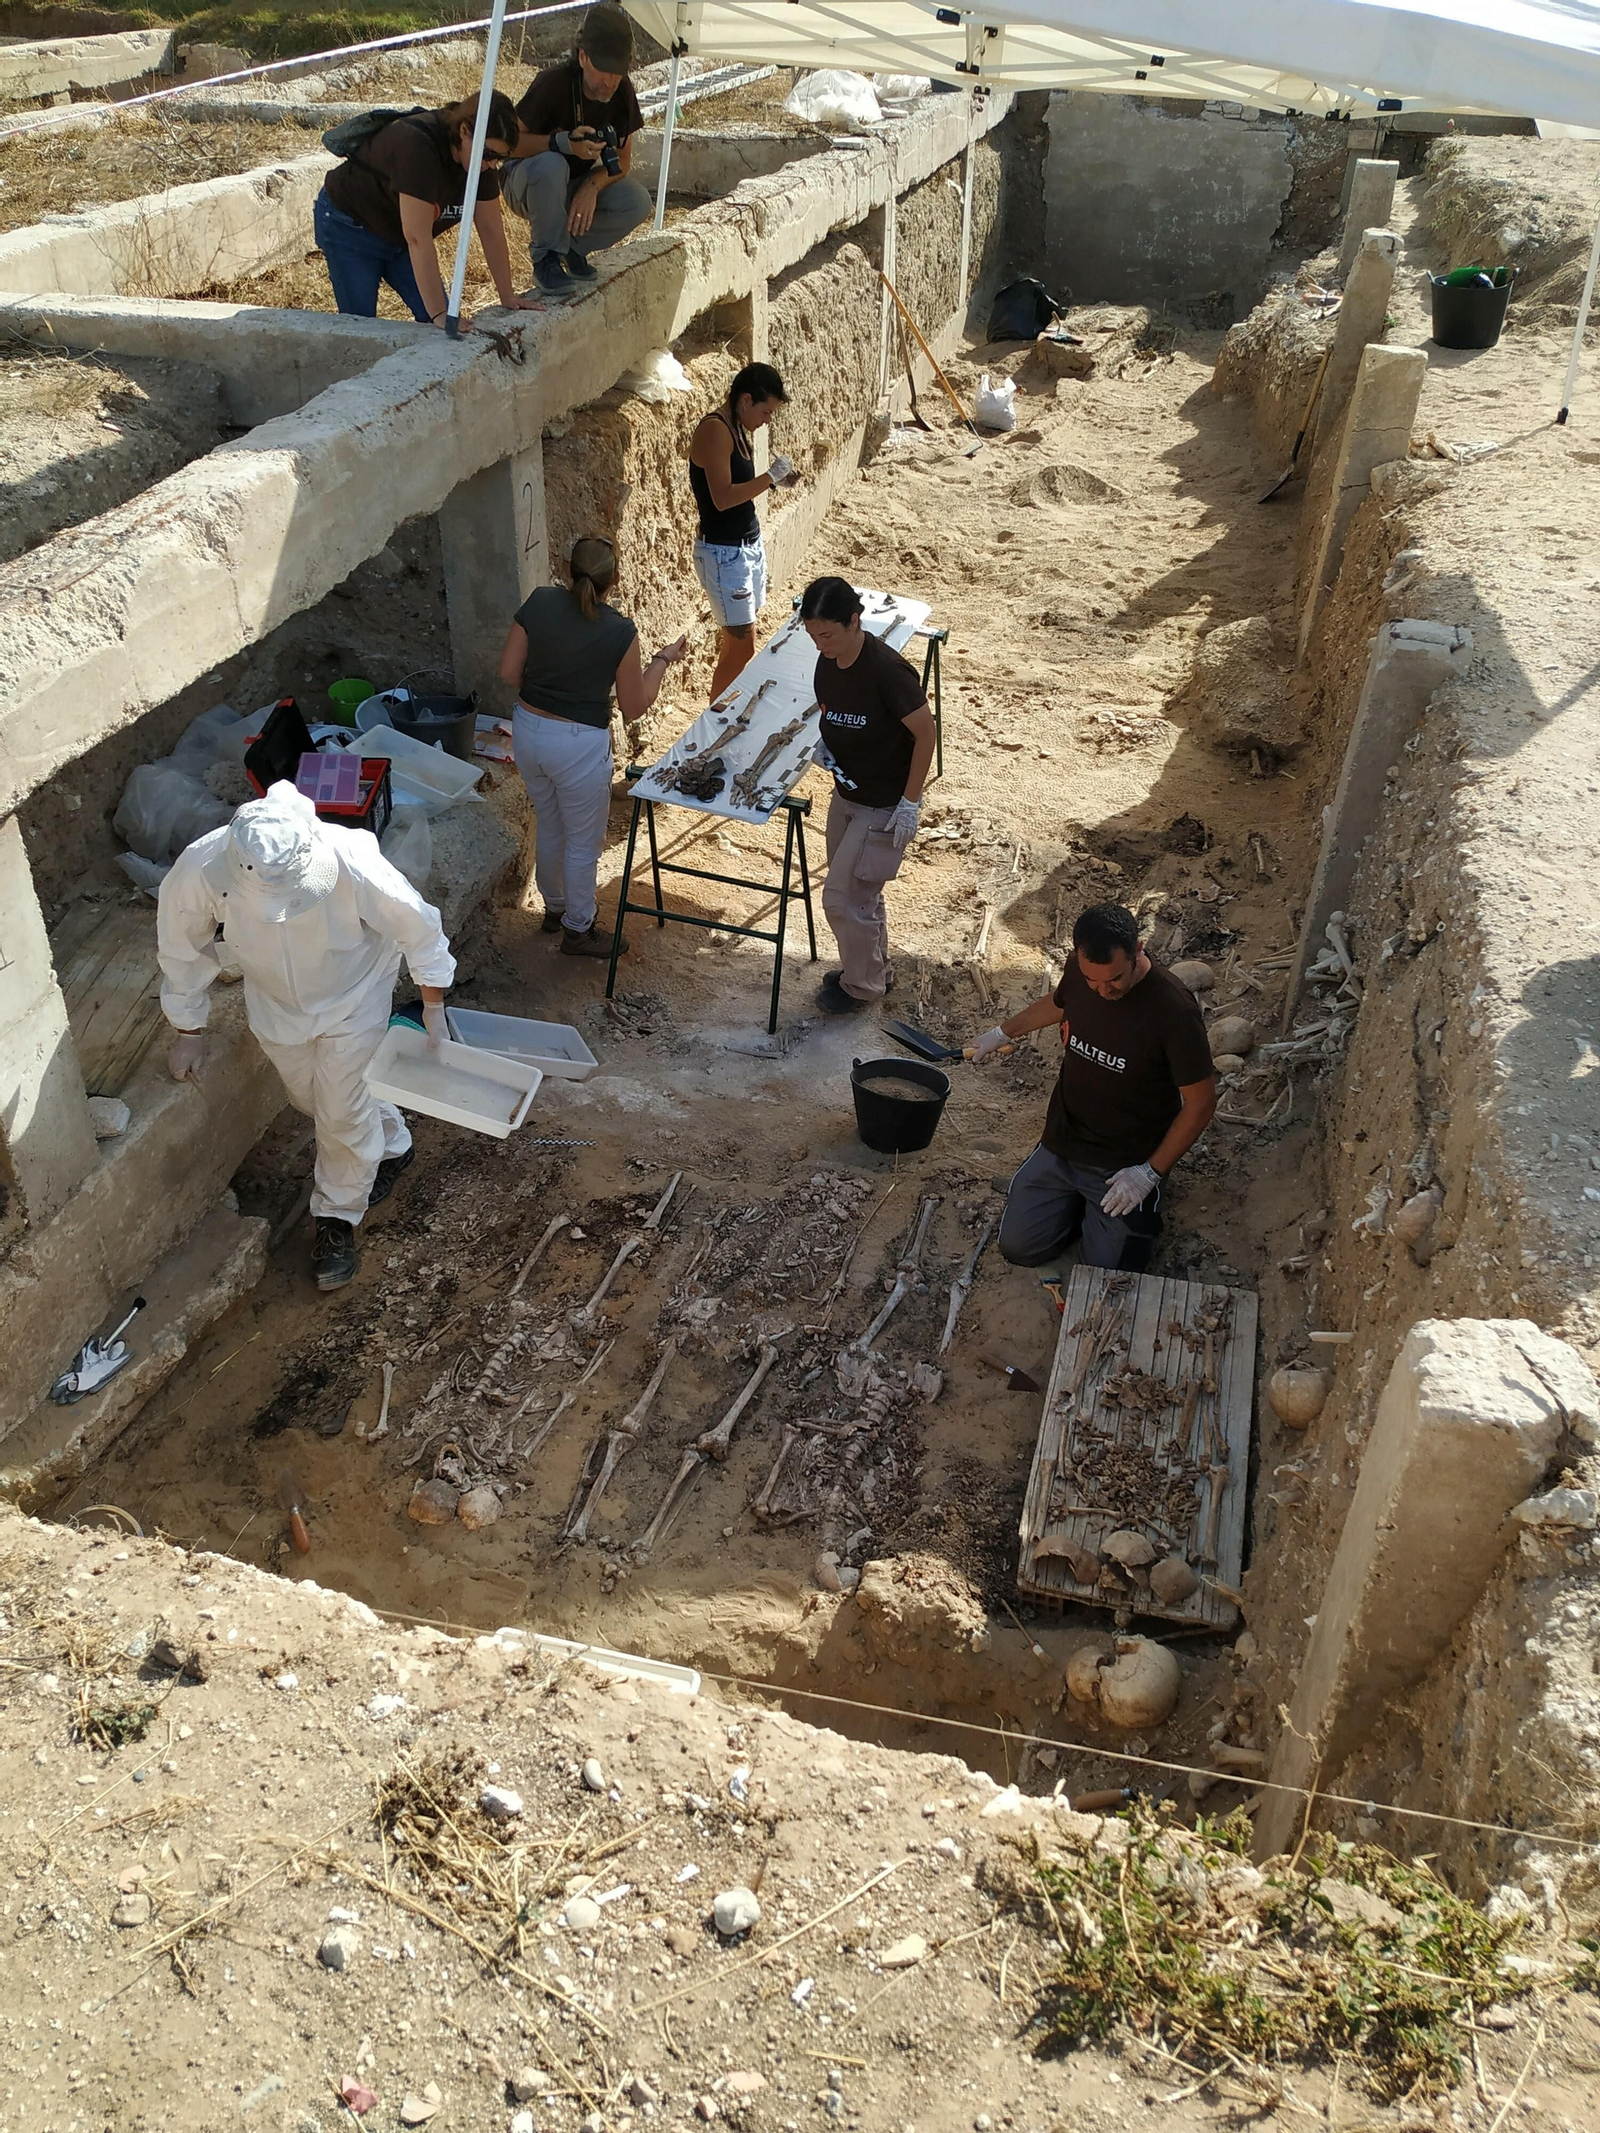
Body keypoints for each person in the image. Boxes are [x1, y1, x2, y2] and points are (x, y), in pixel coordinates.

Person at [157, 783, 458, 1294]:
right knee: (311, 1097)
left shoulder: (352, 859)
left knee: (340, 1107)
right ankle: (392, 1143)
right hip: (276, 1001)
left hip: (355, 990)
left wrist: (433, 1006)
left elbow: (419, 928)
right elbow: (181, 949)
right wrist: (188, 1027)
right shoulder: (201, 870)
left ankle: (336, 1218)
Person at [975, 902, 1217, 1273]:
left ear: (1138, 950)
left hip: (1125, 1161)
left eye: (1116, 979)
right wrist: (1002, 1032)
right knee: (1018, 1247)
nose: (1104, 991)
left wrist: (1149, 1173)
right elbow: (1061, 1003)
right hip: (1064, 1141)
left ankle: (1117, 1208)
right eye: (1093, 981)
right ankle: (1074, 1205)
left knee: (1107, 1270)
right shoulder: (1080, 969)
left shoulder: (1174, 1012)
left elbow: (1200, 1104)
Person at [498, 535, 687, 958]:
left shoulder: (540, 602)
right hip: (578, 744)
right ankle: (578, 929)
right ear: (613, 579)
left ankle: (556, 909)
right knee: (583, 844)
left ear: (569, 570)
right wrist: (661, 660)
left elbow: (509, 671)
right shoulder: (618, 630)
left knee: (550, 824)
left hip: (528, 729)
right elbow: (635, 706)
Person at [800, 576, 936, 1016]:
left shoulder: (887, 671)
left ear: (854, 621)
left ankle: (861, 986)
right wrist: (829, 745)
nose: (820, 644)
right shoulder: (828, 661)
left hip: (882, 802)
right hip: (846, 793)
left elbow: (925, 733)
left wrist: (909, 802)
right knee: (863, 894)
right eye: (813, 635)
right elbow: (830, 711)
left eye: (828, 634)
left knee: (841, 899)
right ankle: (875, 969)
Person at [316, 90, 534, 327]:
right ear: (464, 131)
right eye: (488, 154)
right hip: (351, 226)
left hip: (400, 239)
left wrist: (507, 295)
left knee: (437, 327)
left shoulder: (483, 165)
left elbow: (491, 229)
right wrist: (440, 314)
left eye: (499, 158)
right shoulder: (419, 145)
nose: (491, 164)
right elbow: (417, 237)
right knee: (360, 327)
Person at [504, 3, 651, 296]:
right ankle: (545, 258)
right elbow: (506, 146)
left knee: (637, 201)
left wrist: (592, 188)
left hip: (572, 184)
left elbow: (622, 161)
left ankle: (570, 249)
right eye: (603, 71)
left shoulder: (622, 92)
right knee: (553, 164)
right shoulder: (553, 84)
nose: (609, 82)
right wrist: (561, 144)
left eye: (618, 72)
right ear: (583, 57)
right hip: (525, 181)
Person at [689, 363, 798, 698]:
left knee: (737, 640)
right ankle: (716, 715)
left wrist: (774, 480)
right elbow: (722, 499)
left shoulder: (737, 428)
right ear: (746, 400)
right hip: (724, 552)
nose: (766, 420)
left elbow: (738, 487)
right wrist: (769, 478)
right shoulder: (716, 430)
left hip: (744, 546)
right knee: (743, 644)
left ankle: (722, 704)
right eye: (765, 411)